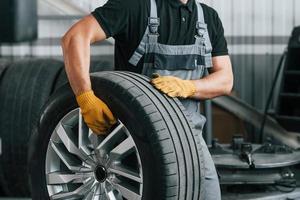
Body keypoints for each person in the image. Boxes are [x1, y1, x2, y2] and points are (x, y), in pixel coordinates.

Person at [61, 0, 233, 199]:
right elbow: (75, 37)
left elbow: (225, 80)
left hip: (189, 140)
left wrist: (190, 86)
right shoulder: (134, 5)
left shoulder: (208, 17)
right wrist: (85, 96)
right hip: (135, 142)